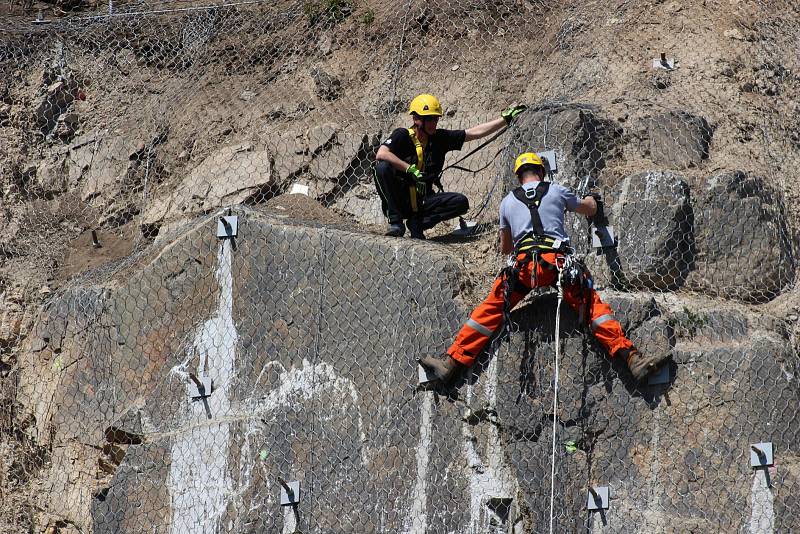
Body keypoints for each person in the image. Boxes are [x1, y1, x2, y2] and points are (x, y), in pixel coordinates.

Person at [419, 152, 667, 384]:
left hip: (524, 269)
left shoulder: (507, 202)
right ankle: (631, 358)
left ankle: (452, 363)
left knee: (490, 309)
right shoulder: (557, 190)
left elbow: (506, 248)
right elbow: (587, 208)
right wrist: (593, 200)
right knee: (592, 307)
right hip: (557, 265)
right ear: (541, 171)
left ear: (519, 176)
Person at [374, 94, 526, 239]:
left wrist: (505, 119)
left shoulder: (440, 138)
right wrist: (410, 169)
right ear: (416, 119)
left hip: (423, 199)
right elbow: (382, 153)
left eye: (436, 119)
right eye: (430, 119)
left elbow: (474, 133)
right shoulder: (402, 135)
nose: (434, 123)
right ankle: (395, 222)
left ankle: (417, 224)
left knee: (459, 202)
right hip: (401, 198)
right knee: (382, 168)